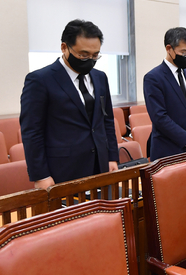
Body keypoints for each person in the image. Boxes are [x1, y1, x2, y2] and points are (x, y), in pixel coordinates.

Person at [20, 19, 119, 189]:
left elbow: (107, 120)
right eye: (83, 54)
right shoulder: (40, 80)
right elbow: (32, 132)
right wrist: (41, 175)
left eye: (95, 55)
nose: (89, 60)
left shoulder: (100, 77)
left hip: (100, 164)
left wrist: (111, 156)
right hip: (63, 169)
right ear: (64, 47)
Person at [143, 27, 186, 161]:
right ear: (169, 49)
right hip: (167, 149)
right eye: (183, 52)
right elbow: (159, 117)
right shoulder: (153, 77)